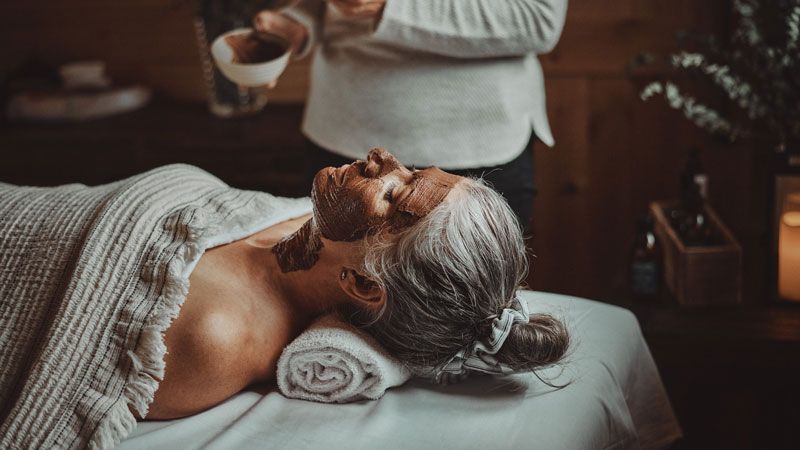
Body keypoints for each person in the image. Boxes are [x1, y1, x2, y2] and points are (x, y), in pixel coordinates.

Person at [146, 148, 569, 419]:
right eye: (412, 169)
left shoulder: (213, 339)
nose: (381, 157)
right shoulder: (299, 218)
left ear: (365, 286)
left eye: (394, 194)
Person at [254, 0, 569, 230]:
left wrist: (391, 8)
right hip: (341, 139)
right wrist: (299, 22)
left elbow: (536, 19)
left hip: (477, 152)